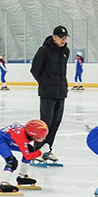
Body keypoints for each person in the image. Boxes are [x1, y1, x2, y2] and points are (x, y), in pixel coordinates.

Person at [30, 25, 70, 163]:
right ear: (54, 37)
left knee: (56, 122)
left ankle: (47, 149)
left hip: (61, 93)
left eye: (65, 38)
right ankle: (38, 149)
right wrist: (44, 83)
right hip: (47, 93)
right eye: (61, 37)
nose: (63, 40)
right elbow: (35, 69)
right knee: (45, 122)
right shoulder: (44, 51)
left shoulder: (66, 51)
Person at [0, 120, 50, 193]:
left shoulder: (26, 131)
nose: (44, 138)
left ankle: (22, 176)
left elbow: (15, 123)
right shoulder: (22, 137)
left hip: (8, 139)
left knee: (30, 150)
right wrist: (41, 152)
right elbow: (28, 156)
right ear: (33, 135)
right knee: (12, 161)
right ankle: (4, 183)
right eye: (41, 137)